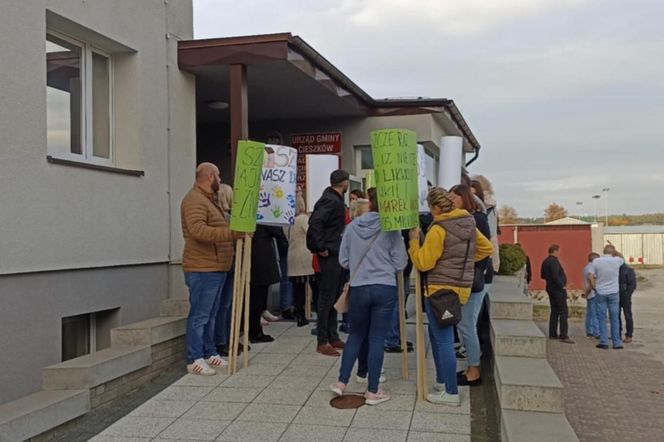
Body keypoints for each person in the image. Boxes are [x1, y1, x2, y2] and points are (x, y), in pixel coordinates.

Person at [409, 188, 493, 406]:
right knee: (438, 336)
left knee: (443, 340)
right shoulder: (468, 222)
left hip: (439, 290)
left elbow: (424, 263)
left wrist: (413, 243)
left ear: (435, 207)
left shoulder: (438, 229)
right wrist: (461, 262)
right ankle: (442, 382)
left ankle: (451, 392)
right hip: (460, 288)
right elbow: (487, 248)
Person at [331, 188, 408, 405]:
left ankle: (341, 382)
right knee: (377, 339)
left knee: (355, 335)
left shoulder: (352, 227)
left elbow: (343, 260)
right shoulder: (391, 229)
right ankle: (373, 391)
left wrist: (359, 264)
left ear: (369, 203)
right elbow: (400, 262)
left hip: (359, 286)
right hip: (384, 287)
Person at [181, 163, 244, 375]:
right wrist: (232, 233)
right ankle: (194, 358)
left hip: (215, 267)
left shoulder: (209, 200)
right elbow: (199, 231)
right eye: (217, 174)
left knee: (212, 313)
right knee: (200, 315)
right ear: (209, 177)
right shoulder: (194, 200)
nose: (220, 178)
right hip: (202, 268)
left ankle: (209, 352)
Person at [450, 184, 491, 386]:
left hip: (473, 281)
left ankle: (474, 370)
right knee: (464, 323)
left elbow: (485, 251)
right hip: (469, 279)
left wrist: (469, 270)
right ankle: (470, 367)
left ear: (463, 198)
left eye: (453, 197)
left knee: (467, 324)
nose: (450, 201)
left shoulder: (476, 220)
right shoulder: (468, 219)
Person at [307, 169, 350, 356]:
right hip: (330, 254)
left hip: (336, 252)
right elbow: (315, 222)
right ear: (344, 183)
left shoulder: (335, 200)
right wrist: (320, 246)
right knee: (326, 298)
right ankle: (322, 340)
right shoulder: (330, 200)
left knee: (334, 297)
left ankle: (333, 335)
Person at [213, 184, 246, 357]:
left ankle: (227, 338)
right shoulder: (225, 218)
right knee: (223, 306)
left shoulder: (227, 217)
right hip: (226, 264)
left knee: (226, 305)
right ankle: (222, 340)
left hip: (229, 264)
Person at [249, 224, 289, 343]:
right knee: (257, 299)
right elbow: (277, 230)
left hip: (257, 260)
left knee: (257, 298)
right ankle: (255, 332)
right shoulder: (264, 219)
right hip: (260, 261)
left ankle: (255, 330)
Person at [588, 245, 625, 349]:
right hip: (614, 293)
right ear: (613, 252)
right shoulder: (616, 261)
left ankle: (604, 342)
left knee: (601, 318)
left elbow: (591, 275)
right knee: (614, 318)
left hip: (601, 292)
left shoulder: (596, 261)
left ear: (603, 251)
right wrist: (616, 252)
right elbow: (622, 257)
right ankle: (616, 343)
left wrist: (594, 287)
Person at [285, 195, 315, 327]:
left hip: (292, 256)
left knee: (298, 289)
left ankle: (300, 316)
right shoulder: (303, 219)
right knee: (315, 286)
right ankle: (320, 316)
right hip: (306, 255)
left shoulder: (287, 221)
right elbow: (311, 233)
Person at [540, 245, 575, 344]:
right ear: (555, 251)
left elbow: (542, 275)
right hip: (557, 289)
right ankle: (564, 335)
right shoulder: (554, 261)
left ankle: (553, 333)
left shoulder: (545, 261)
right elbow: (555, 276)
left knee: (554, 311)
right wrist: (562, 285)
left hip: (550, 287)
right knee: (563, 312)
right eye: (559, 251)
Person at [582, 253, 600, 339]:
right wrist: (595, 288)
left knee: (590, 313)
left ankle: (589, 331)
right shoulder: (592, 268)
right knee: (595, 314)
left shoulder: (586, 267)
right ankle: (596, 332)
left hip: (589, 294)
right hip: (593, 293)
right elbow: (591, 278)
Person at [619, 262, 637, 343]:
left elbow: (632, 285)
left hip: (623, 295)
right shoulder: (614, 268)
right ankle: (618, 334)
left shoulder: (628, 269)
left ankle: (628, 335)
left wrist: (627, 294)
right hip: (617, 295)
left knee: (627, 315)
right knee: (617, 315)